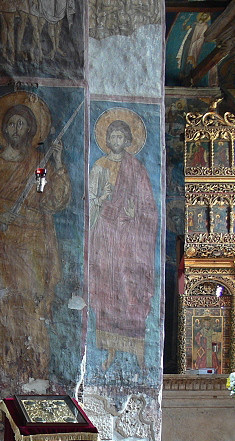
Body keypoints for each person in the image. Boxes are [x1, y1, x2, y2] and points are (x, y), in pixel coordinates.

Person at [0, 91, 71, 384]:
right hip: (1, 246)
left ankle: (33, 372)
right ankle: (4, 374)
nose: (15, 130)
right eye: (11, 124)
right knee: (3, 307)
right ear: (4, 129)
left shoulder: (39, 162)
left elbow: (51, 201)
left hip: (33, 246)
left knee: (32, 304)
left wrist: (57, 164)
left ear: (32, 129)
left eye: (21, 124)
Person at [89, 110, 157, 370]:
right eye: (113, 135)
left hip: (129, 239)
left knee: (130, 290)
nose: (117, 139)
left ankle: (137, 351)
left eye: (121, 135)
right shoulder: (100, 166)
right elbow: (91, 203)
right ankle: (109, 351)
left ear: (128, 139)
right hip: (106, 235)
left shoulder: (136, 169)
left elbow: (148, 207)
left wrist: (135, 213)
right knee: (109, 290)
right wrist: (102, 199)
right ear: (107, 139)